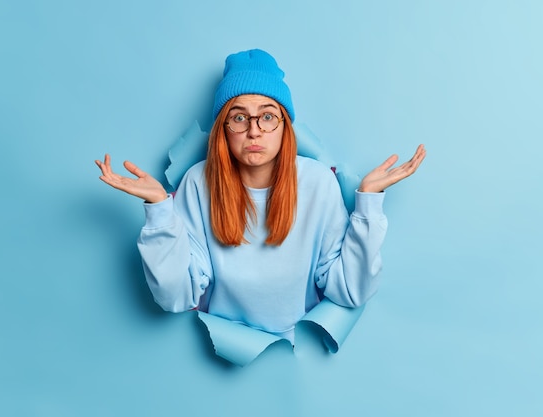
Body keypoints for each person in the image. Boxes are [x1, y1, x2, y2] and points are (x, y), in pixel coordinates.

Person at [95, 49, 426, 343]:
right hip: (221, 354)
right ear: (223, 128)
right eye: (239, 117)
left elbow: (351, 291)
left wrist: (368, 201)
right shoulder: (198, 183)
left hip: (303, 355)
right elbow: (175, 297)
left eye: (267, 116)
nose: (254, 130)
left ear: (285, 126)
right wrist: (159, 211)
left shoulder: (317, 183)